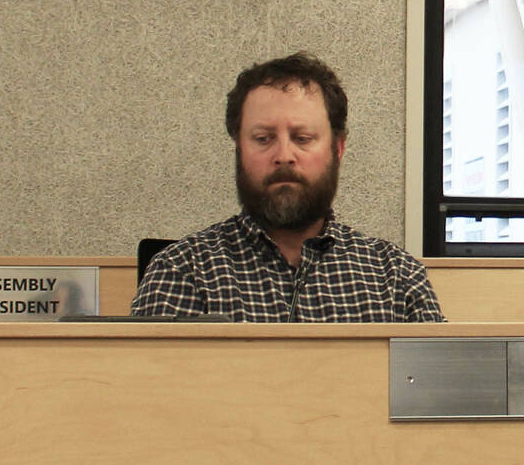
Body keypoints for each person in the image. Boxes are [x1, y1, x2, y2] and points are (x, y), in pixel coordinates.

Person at [132, 52, 443, 322]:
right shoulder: (182, 271)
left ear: (338, 148)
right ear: (239, 149)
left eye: (303, 138)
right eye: (263, 139)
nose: (283, 156)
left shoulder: (397, 279)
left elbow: (439, 388)